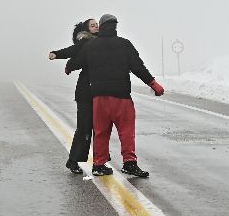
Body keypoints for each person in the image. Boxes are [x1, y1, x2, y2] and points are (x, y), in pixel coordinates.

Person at [67, 14, 164, 177]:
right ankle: (129, 163)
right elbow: (138, 67)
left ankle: (99, 165)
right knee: (126, 132)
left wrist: (69, 67)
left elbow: (76, 62)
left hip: (99, 99)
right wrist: (153, 83)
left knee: (101, 132)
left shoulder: (91, 45)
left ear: (102, 26)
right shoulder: (124, 44)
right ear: (115, 26)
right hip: (122, 97)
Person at [49, 18, 99, 174]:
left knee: (99, 129)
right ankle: (73, 161)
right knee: (84, 129)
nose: (96, 27)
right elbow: (71, 50)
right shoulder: (85, 42)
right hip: (86, 92)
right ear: (87, 30)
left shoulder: (103, 42)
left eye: (97, 24)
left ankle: (100, 163)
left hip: (99, 92)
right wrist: (56, 54)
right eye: (92, 25)